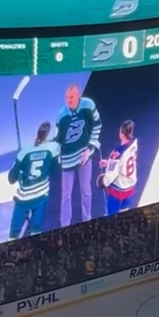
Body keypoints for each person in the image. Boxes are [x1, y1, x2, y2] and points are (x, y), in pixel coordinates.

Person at [56, 84, 102, 227]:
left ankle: (86, 220)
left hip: (84, 155)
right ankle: (64, 225)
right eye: (67, 97)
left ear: (79, 96)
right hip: (68, 160)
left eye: (72, 97)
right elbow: (58, 141)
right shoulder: (61, 116)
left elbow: (97, 124)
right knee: (66, 196)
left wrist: (89, 148)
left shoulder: (88, 105)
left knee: (86, 190)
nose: (69, 100)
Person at [7, 121, 61, 238]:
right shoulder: (52, 149)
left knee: (13, 235)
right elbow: (56, 172)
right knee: (36, 230)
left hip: (23, 199)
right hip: (41, 197)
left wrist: (20, 170)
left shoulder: (24, 152)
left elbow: (11, 179)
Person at [98, 119, 138, 215]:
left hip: (119, 190)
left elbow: (111, 175)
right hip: (130, 187)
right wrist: (109, 163)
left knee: (112, 215)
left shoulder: (117, 152)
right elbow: (122, 163)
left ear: (122, 133)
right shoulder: (133, 144)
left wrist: (102, 182)